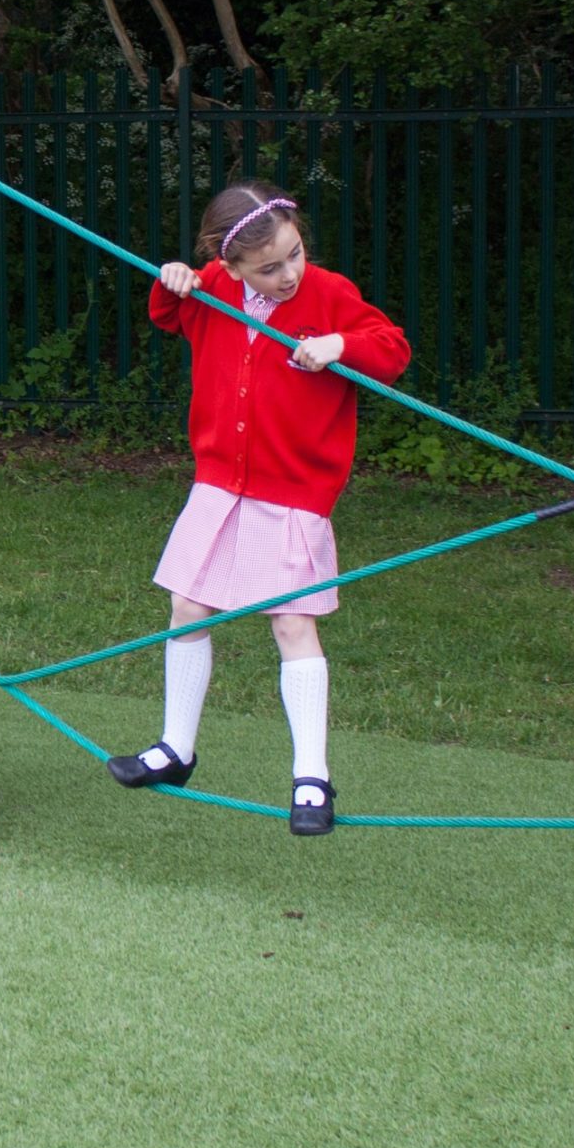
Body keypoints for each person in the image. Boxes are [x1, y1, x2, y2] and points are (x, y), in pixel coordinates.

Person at [107, 179, 411, 836]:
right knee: (187, 607)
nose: (288, 274)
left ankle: (312, 778)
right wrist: (174, 281)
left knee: (292, 625)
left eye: (294, 254)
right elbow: (169, 314)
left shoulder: (328, 294)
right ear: (231, 262)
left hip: (293, 492)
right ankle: (176, 749)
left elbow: (391, 350)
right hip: (220, 482)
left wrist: (339, 345)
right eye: (268, 267)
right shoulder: (214, 287)